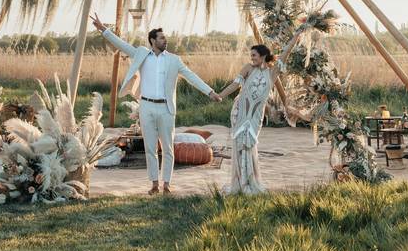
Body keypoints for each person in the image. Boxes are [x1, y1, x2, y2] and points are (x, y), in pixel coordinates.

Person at [89, 12, 222, 195]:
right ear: (152, 40)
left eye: (165, 37)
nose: (165, 40)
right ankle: (154, 184)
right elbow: (121, 44)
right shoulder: (141, 54)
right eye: (161, 38)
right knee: (150, 148)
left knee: (167, 148)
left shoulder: (174, 60)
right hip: (146, 106)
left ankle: (166, 184)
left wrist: (210, 92)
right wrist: (103, 29)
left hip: (166, 108)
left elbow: (192, 77)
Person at [218, 44, 278, 195]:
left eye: (254, 55)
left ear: (263, 56)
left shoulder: (272, 73)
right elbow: (235, 85)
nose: (251, 58)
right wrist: (220, 95)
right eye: (250, 55)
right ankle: (239, 182)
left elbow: (282, 94)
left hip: (256, 115)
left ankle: (250, 180)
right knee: (239, 144)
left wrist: (288, 107)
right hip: (240, 111)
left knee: (250, 144)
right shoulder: (248, 68)